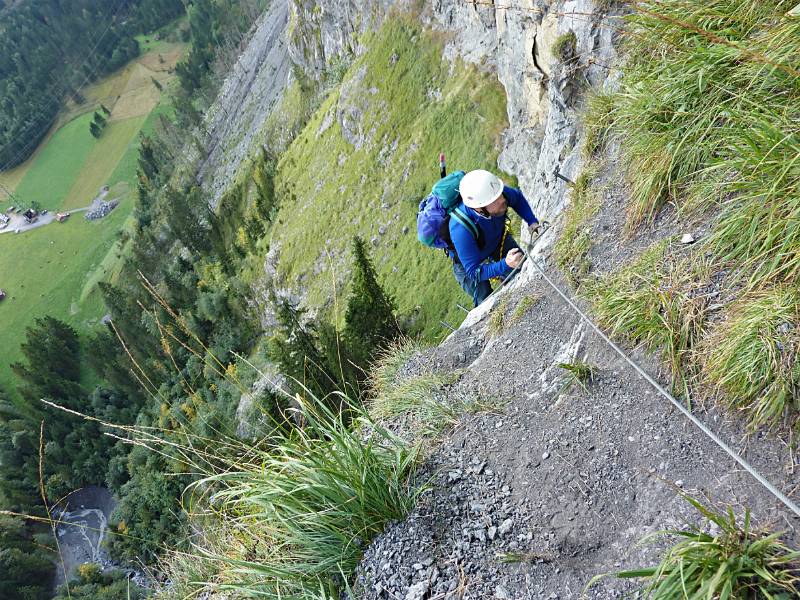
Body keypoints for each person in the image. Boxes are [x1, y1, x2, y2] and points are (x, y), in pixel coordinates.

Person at [450, 169, 540, 306]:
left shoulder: (496, 193)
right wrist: (505, 264)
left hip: (497, 241)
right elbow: (474, 273)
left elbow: (517, 198)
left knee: (524, 268)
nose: (503, 199)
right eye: (495, 200)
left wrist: (531, 221)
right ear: (480, 208)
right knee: (485, 301)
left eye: (500, 195)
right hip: (468, 264)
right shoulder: (460, 229)